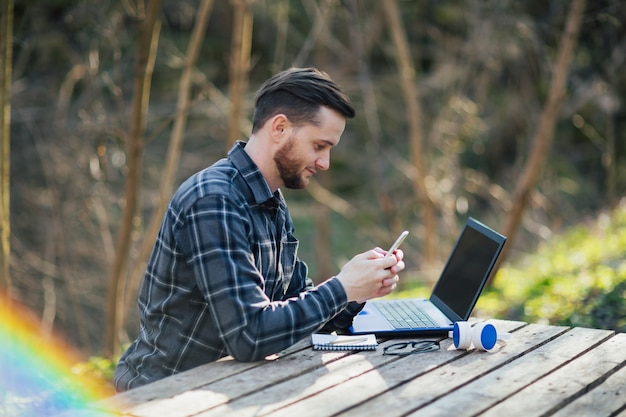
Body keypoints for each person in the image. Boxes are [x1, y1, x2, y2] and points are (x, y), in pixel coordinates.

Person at [114, 67, 405, 392]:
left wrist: (360, 289)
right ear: (280, 127)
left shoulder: (270, 200)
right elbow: (250, 336)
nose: (325, 163)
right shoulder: (214, 201)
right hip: (166, 396)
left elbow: (296, 308)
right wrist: (342, 287)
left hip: (232, 387)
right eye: (319, 146)